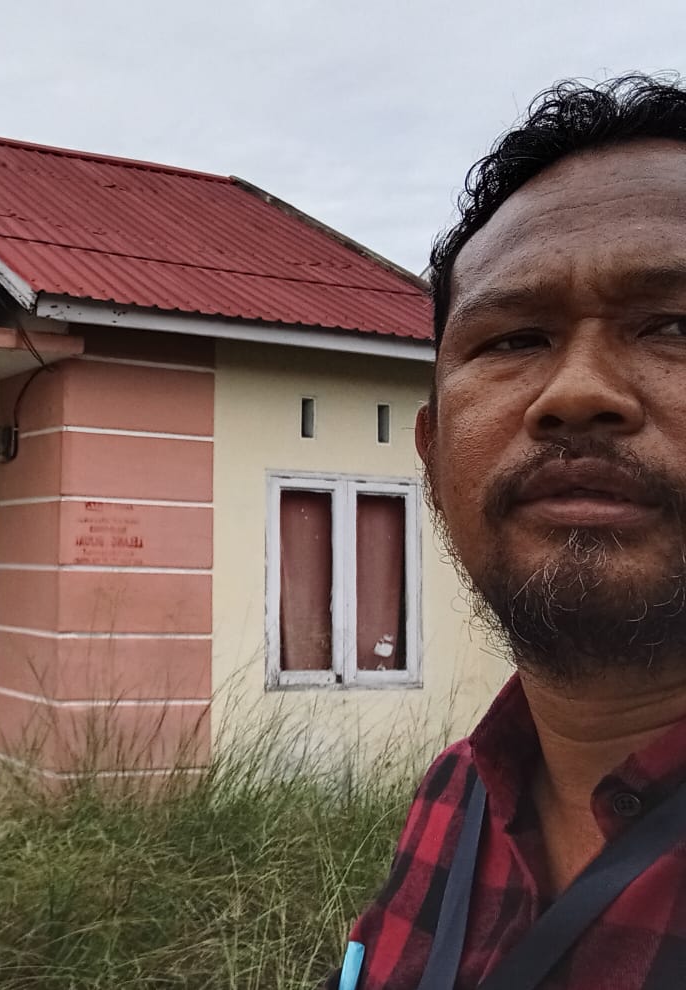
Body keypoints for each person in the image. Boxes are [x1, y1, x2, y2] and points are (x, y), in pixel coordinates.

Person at [329, 74, 686, 989]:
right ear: (433, 457)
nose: (577, 393)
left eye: (675, 325)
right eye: (515, 339)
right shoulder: (457, 796)